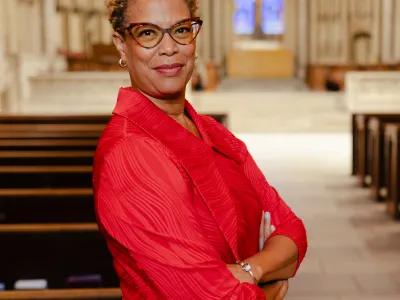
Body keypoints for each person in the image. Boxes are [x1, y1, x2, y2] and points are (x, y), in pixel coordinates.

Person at [93, 0, 308, 299]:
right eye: (147, 33)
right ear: (121, 44)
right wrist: (267, 288)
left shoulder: (215, 133)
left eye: (181, 30)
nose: (169, 48)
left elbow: (293, 232)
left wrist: (249, 271)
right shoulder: (128, 156)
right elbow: (214, 297)